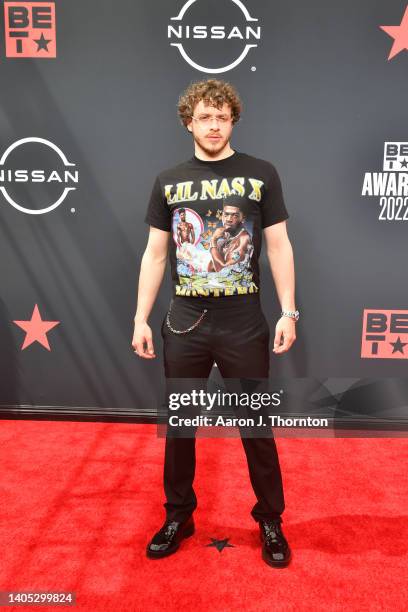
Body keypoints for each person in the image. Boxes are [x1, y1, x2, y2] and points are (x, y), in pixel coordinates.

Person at [132, 78, 299, 568]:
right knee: (181, 426)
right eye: (204, 116)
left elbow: (279, 245)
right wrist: (140, 318)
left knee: (255, 425)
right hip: (184, 320)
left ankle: (270, 519)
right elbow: (155, 254)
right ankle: (178, 514)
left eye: (222, 117)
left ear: (233, 121)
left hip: (243, 320)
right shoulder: (168, 180)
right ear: (189, 121)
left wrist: (289, 310)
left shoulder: (260, 173)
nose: (213, 125)